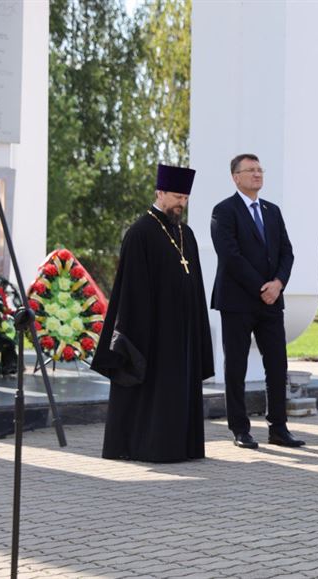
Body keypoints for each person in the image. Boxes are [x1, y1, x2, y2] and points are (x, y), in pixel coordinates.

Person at [92, 164, 214, 463]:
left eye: (185, 197)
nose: (180, 203)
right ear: (159, 192)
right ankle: (149, 447)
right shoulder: (140, 232)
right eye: (176, 196)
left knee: (180, 390)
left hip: (183, 330)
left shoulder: (187, 233)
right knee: (155, 391)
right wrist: (141, 332)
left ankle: (182, 447)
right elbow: (131, 290)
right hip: (154, 331)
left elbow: (194, 283)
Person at [210, 154, 304, 449]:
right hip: (237, 301)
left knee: (277, 365)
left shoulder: (272, 211)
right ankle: (240, 429)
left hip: (272, 302)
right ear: (235, 177)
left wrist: (278, 284)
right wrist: (260, 287)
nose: (257, 174)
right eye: (250, 170)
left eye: (260, 169)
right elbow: (230, 255)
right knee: (235, 366)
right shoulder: (223, 211)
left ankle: (278, 428)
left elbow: (287, 252)